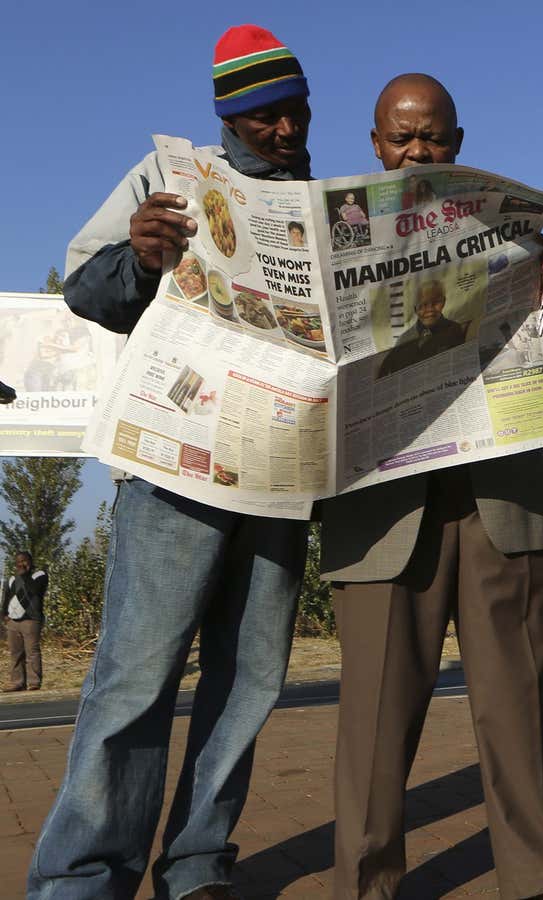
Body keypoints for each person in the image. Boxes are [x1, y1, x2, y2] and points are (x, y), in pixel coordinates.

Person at [28, 25, 314, 900]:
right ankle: (82, 875)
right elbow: (82, 287)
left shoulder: (329, 202)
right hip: (175, 470)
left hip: (280, 468)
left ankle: (197, 864)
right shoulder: (168, 179)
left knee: (251, 676)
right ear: (227, 118)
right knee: (137, 675)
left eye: (296, 112)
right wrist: (143, 255)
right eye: (263, 117)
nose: (284, 131)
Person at [319, 73, 543, 900]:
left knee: (516, 705)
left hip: (499, 501)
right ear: (375, 144)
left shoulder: (503, 230)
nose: (418, 150)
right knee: (373, 722)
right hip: (380, 514)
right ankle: (365, 886)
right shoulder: (332, 240)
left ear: (458, 143)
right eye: (401, 137)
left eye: (433, 137)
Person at [375, 278, 466, 376]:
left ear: (443, 302)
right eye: (423, 305)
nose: (430, 309)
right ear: (415, 309)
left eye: (435, 303)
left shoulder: (454, 329)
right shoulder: (404, 338)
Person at [3, 551, 48, 692]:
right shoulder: (12, 580)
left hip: (31, 620)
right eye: (18, 562)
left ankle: (34, 682)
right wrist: (4, 614)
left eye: (25, 561)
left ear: (31, 562)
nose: (21, 564)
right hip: (13, 621)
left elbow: (32, 590)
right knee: (16, 653)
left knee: (32, 651)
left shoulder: (39, 576)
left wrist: (23, 575)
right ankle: (17, 682)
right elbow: (6, 598)